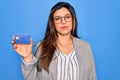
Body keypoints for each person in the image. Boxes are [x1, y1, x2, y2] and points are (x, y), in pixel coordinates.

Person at [12, 2, 97, 80]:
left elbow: (92, 77)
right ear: (52, 23)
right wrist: (27, 58)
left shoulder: (86, 47)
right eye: (58, 19)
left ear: (73, 19)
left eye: (67, 17)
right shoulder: (41, 47)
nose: (63, 22)